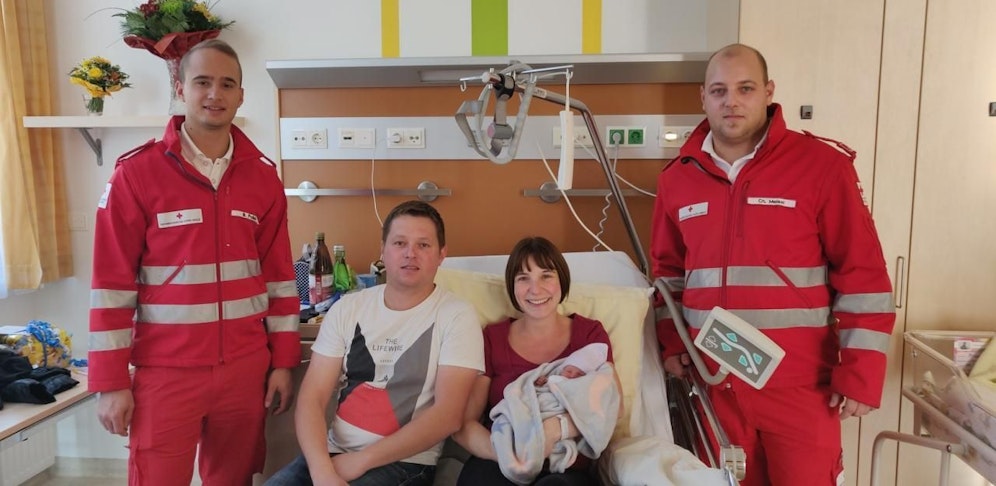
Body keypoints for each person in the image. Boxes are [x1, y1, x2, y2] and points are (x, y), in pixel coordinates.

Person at [650, 43, 896, 486]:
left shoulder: (822, 168)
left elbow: (863, 276)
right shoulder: (677, 178)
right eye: (720, 90)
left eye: (745, 88)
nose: (732, 101)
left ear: (768, 92)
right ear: (702, 97)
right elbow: (667, 275)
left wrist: (860, 372)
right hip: (714, 384)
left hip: (801, 387)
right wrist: (672, 345)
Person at [88, 39, 300, 485]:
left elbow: (280, 281)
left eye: (227, 84)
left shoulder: (263, 178)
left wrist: (282, 362)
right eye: (202, 82)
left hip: (245, 372)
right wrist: (110, 383)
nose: (214, 94)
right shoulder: (136, 174)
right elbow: (110, 287)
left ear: (242, 95)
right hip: (167, 374)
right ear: (180, 87)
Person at [265, 200, 484, 486]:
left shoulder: (457, 316)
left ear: (442, 254)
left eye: (424, 245)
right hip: (331, 455)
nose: (410, 254)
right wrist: (321, 471)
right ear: (382, 250)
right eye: (399, 243)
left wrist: (358, 462)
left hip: (405, 464)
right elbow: (312, 397)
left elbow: (448, 416)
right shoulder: (348, 308)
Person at [453, 236, 620, 486]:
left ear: (562, 281)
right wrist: (509, 456)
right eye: (523, 278)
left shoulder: (589, 335)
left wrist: (556, 429)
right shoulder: (492, 338)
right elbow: (464, 424)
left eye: (546, 276)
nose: (535, 288)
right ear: (512, 286)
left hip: (564, 466)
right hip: (500, 461)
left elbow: (612, 407)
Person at [533, 342, 608, 387]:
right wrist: (544, 381)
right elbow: (556, 381)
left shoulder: (581, 385)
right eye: (569, 371)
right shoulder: (555, 377)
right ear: (562, 370)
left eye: (579, 374)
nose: (572, 376)